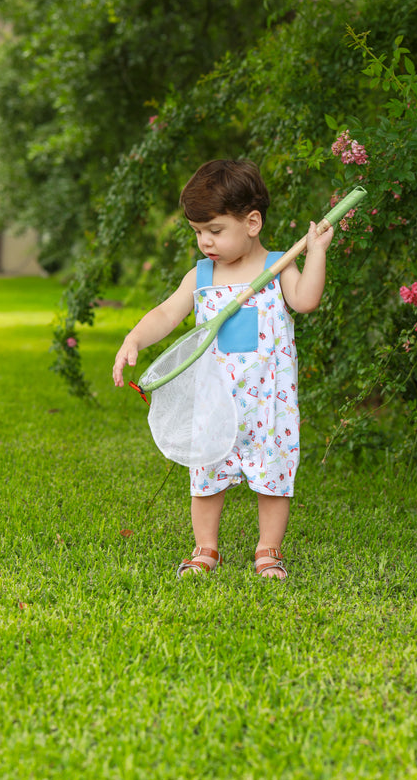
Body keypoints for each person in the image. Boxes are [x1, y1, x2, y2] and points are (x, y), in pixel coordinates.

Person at [112, 159, 333, 579]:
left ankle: (268, 551)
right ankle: (205, 548)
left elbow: (305, 301)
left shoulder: (279, 265)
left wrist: (316, 252)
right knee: (207, 478)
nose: (205, 242)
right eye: (198, 232)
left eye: (214, 231)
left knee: (273, 478)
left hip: (270, 403)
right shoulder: (201, 276)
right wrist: (134, 339)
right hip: (215, 402)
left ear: (252, 222)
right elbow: (166, 314)